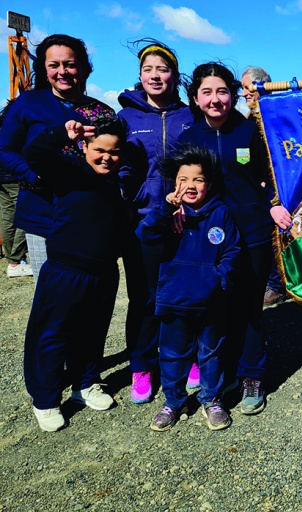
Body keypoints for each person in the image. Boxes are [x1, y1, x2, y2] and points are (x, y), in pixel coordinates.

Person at [178, 62, 289, 415]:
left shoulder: (250, 132)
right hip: (206, 239)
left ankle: (252, 376)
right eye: (207, 92)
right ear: (195, 98)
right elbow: (180, 184)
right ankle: (218, 372)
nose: (216, 99)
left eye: (222, 91)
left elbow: (273, 173)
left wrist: (272, 203)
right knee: (215, 308)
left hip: (252, 232)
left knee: (250, 309)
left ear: (232, 95)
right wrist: (177, 206)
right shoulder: (189, 138)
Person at [21, 117, 128, 432]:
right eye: (100, 150)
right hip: (65, 271)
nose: (107, 157)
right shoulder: (68, 170)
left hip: (103, 272)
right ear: (85, 147)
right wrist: (59, 133)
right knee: (52, 335)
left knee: (93, 332)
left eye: (115, 151)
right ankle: (46, 398)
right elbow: (33, 154)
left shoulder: (118, 183)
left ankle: (86, 383)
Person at [137, 144, 240, 431]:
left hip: (211, 301)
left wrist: (218, 278)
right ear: (173, 184)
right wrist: (165, 210)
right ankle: (174, 401)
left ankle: (212, 399)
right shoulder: (166, 214)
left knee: (211, 351)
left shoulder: (221, 214)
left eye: (198, 179)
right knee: (172, 353)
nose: (190, 185)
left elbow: (232, 251)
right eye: (183, 179)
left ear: (209, 183)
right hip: (173, 299)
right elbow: (144, 235)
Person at [117, 39, 196, 404]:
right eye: (148, 69)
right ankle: (142, 366)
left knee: (185, 293)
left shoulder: (189, 116)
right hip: (141, 221)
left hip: (186, 220)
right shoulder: (126, 118)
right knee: (144, 297)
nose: (154, 75)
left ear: (174, 76)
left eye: (162, 69)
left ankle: (190, 357)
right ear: (139, 75)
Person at [0, 34, 115, 285]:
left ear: (84, 68)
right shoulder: (28, 103)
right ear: (45, 68)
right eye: (54, 65)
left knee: (85, 294)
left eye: (70, 64)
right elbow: (4, 150)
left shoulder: (103, 112)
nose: (62, 71)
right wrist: (34, 175)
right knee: (49, 296)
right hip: (42, 214)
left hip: (87, 216)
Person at [240, 65, 286, 308]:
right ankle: (274, 282)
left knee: (278, 232)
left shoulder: (275, 113)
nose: (244, 94)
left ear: (261, 86)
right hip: (260, 182)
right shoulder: (249, 117)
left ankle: (277, 285)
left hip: (279, 183)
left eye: (247, 88)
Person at [0, 101, 30, 278]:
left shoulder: (3, 123)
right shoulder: (19, 123)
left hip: (1, 176)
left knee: (7, 215)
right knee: (24, 215)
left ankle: (13, 260)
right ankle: (16, 260)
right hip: (15, 175)